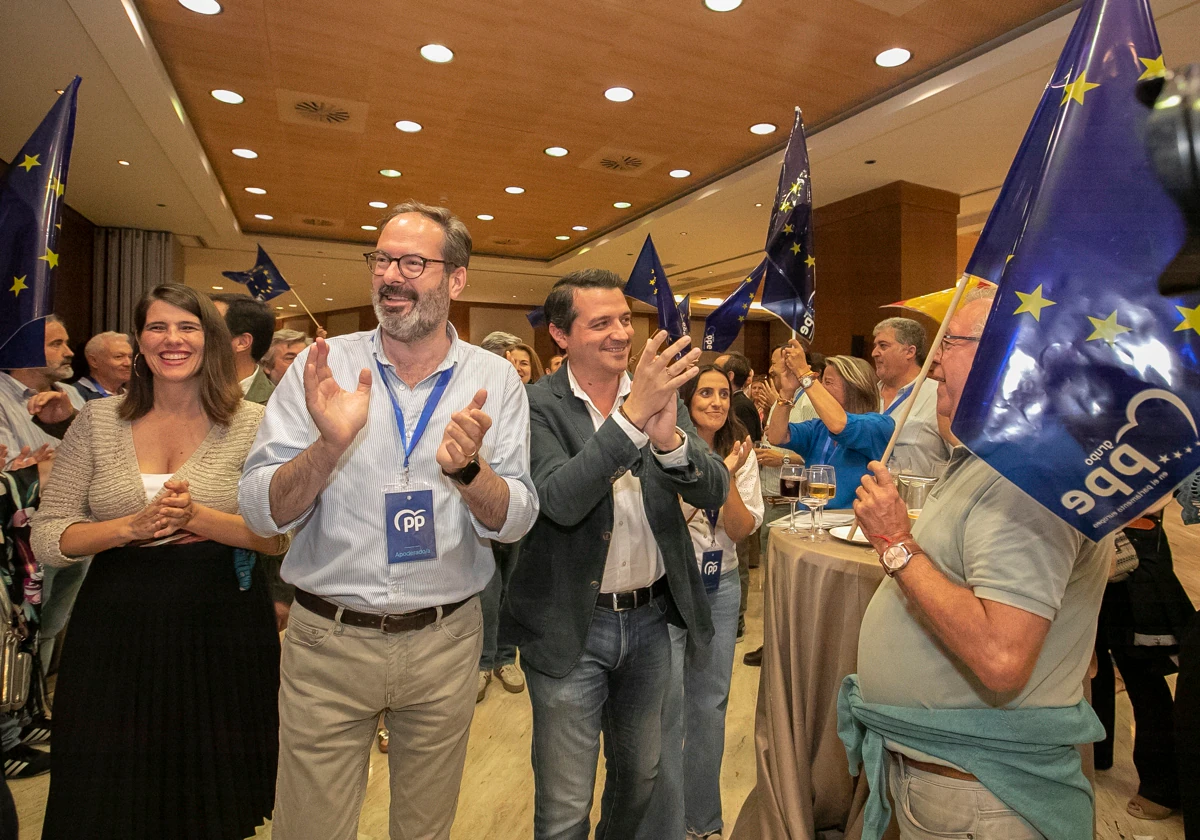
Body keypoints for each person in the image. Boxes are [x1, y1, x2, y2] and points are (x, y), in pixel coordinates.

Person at [239, 200, 537, 840]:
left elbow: (515, 520)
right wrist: (327, 448)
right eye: (381, 260)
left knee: (425, 831)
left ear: (456, 280)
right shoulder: (322, 370)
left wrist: (468, 473)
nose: (390, 276)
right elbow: (262, 509)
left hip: (445, 641)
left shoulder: (495, 381)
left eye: (412, 262)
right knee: (308, 829)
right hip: (327, 642)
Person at [844, 291, 1112, 840]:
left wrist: (895, 542)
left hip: (982, 794)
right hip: (962, 782)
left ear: (1008, 357)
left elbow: (1001, 656)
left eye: (952, 343)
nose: (935, 360)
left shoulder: (1026, 479)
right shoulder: (999, 457)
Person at [30, 283, 285, 839]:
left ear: (211, 340)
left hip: (223, 627)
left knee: (208, 793)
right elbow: (50, 537)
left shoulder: (255, 422)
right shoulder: (97, 422)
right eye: (157, 327)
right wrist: (128, 528)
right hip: (115, 628)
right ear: (139, 341)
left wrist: (196, 517)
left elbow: (279, 538)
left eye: (187, 327)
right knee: (110, 790)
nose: (172, 340)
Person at [501, 267, 728, 840]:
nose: (620, 334)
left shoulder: (657, 401)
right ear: (560, 334)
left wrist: (671, 441)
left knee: (642, 778)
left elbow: (715, 489)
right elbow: (558, 499)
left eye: (625, 320)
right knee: (564, 806)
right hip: (570, 627)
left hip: (651, 623)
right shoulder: (534, 406)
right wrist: (631, 422)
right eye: (600, 323)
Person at [657, 365, 763, 840]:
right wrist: (712, 479)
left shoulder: (742, 451)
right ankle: (666, 821)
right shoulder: (660, 443)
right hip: (671, 585)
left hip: (721, 588)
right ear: (685, 398)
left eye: (724, 393)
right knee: (668, 706)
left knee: (710, 704)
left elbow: (740, 530)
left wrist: (730, 476)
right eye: (706, 393)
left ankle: (703, 822)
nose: (718, 402)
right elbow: (665, 521)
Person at [0, 317, 88, 683]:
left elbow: (99, 454)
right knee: (20, 631)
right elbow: (13, 471)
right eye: (56, 344)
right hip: (22, 545)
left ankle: (35, 708)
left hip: (78, 531)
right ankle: (14, 722)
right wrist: (37, 470)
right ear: (22, 346)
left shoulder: (73, 396)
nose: (69, 352)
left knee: (53, 626)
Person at [1092, 510, 1192, 821]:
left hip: (1130, 558)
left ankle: (1161, 788)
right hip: (1100, 555)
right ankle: (1097, 749)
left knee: (1143, 679)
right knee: (1094, 664)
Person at [765, 343, 893, 510]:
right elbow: (776, 436)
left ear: (854, 388)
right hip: (812, 520)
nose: (821, 388)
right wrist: (787, 392)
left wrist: (804, 374)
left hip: (850, 527)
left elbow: (840, 425)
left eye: (828, 382)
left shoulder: (879, 425)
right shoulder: (819, 428)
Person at [871, 317, 952, 476]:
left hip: (918, 498)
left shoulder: (939, 396)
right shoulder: (867, 395)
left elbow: (960, 458)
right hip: (866, 497)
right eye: (875, 346)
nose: (874, 353)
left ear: (910, 351)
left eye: (883, 345)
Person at [212, 293, 277, 405]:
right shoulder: (183, 391)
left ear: (242, 342)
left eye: (208, 328)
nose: (192, 336)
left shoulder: (277, 407)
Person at [713, 351, 762, 442]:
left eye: (717, 370)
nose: (711, 373)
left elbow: (744, 445)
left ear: (729, 376)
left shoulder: (741, 406)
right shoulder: (734, 401)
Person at [74, 331, 132, 400]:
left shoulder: (131, 397)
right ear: (94, 361)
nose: (128, 363)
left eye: (130, 357)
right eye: (119, 357)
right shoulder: (75, 394)